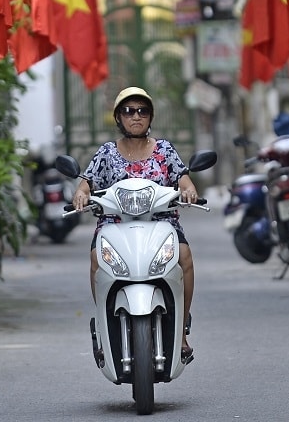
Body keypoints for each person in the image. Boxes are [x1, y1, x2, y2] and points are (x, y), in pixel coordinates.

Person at [71, 86, 200, 362]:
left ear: (151, 117)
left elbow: (184, 180)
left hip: (161, 223)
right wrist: (81, 195)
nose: (136, 116)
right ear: (119, 118)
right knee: (96, 258)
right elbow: (85, 184)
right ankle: (106, 329)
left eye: (143, 111)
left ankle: (181, 331)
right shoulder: (106, 153)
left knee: (185, 256)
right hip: (114, 224)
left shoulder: (165, 150)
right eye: (129, 111)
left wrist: (189, 190)